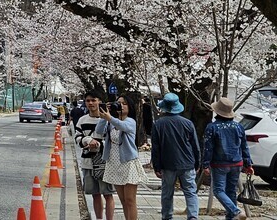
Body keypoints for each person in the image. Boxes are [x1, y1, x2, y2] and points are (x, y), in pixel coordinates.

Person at [151, 92, 200, 220]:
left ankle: (167, 216)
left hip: (168, 164)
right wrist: (197, 163)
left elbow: (156, 148)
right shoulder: (188, 123)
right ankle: (193, 216)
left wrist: (157, 167)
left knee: (167, 193)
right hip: (187, 163)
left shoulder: (158, 124)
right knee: (190, 192)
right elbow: (195, 145)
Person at [202, 97, 253, 220]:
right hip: (237, 163)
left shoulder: (212, 127)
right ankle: (231, 217)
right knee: (231, 191)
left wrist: (205, 164)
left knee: (218, 190)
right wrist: (248, 164)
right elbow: (244, 147)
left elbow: (208, 148)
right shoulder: (238, 127)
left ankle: (235, 211)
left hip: (219, 164)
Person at [97, 95, 146, 220]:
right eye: (118, 103)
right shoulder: (111, 121)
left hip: (128, 162)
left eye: (124, 104)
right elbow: (99, 130)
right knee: (123, 200)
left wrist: (110, 118)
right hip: (114, 162)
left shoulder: (130, 121)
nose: (121, 106)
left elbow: (122, 126)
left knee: (130, 200)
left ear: (130, 107)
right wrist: (104, 116)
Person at [75, 90, 116, 220]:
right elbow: (78, 137)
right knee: (95, 194)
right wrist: (88, 140)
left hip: (105, 162)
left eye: (93, 100)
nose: (91, 103)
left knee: (108, 194)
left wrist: (98, 144)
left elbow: (114, 139)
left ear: (99, 101)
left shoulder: (109, 120)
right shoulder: (82, 120)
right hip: (88, 162)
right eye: (88, 101)